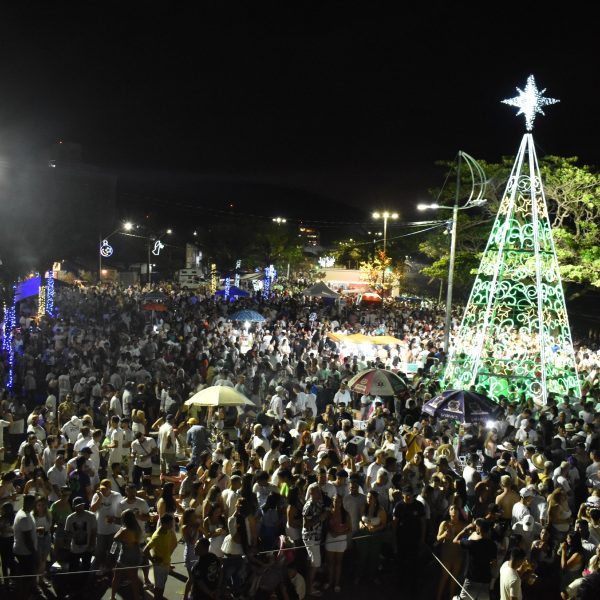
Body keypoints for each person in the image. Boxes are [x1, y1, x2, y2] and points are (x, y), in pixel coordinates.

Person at [452, 518, 497, 600]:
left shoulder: (472, 544)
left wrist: (466, 529)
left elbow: (455, 540)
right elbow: (494, 564)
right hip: (485, 581)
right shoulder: (493, 545)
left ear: (478, 529)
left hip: (472, 580)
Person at [110, 508, 143, 600]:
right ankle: (136, 597)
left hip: (126, 555)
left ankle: (112, 597)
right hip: (136, 553)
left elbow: (115, 538)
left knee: (117, 576)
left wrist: (120, 529)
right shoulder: (137, 528)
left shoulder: (124, 530)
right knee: (134, 578)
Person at [143, 512, 178, 600]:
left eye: (172, 523)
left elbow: (174, 543)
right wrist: (153, 560)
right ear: (163, 523)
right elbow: (145, 550)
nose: (171, 526)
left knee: (162, 586)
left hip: (166, 563)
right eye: (169, 524)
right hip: (159, 566)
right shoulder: (157, 536)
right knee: (158, 587)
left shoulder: (168, 530)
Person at [324, 494, 351, 593]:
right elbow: (326, 526)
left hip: (341, 540)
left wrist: (339, 533)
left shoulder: (346, 514)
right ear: (333, 501)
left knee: (338, 563)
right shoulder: (329, 513)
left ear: (341, 502)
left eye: (339, 501)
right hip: (330, 539)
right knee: (330, 563)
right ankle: (329, 581)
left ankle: (336, 583)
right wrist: (331, 532)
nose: (337, 503)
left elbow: (349, 529)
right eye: (335, 501)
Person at [13, 494, 38, 599]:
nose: (35, 505)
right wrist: (34, 552)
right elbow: (27, 539)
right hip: (25, 552)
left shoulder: (26, 513)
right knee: (27, 577)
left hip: (24, 551)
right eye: (34, 503)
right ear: (28, 503)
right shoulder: (23, 517)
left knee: (26, 576)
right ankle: (25, 596)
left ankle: (27, 594)